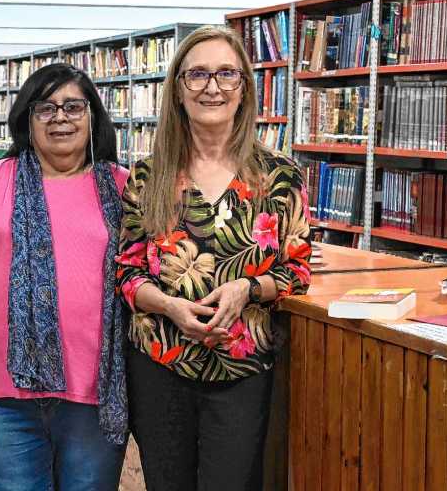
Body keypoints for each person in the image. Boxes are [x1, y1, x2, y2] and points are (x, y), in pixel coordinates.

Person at [116, 26, 313, 491]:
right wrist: (168, 306)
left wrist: (248, 287)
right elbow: (126, 272)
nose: (213, 87)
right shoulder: (148, 176)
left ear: (244, 88)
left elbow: (298, 270)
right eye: (198, 75)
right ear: (178, 90)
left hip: (242, 368)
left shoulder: (279, 176)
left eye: (227, 74)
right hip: (159, 364)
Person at [0, 63, 129, 491]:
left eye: (73, 107)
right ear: (28, 118)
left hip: (93, 399)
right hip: (4, 399)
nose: (60, 117)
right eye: (45, 108)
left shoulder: (123, 187)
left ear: (93, 116)